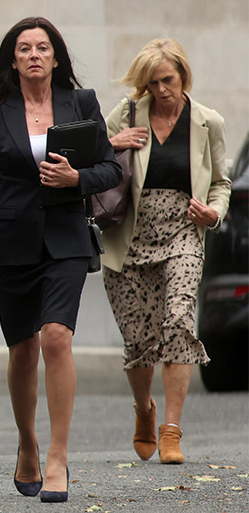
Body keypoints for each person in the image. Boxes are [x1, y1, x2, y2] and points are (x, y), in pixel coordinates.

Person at [0, 17, 121, 502]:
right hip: (10, 241)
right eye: (24, 48)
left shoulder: (82, 103)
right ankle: (28, 445)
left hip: (67, 238)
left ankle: (57, 456)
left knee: (56, 337)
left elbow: (111, 168)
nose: (34, 55)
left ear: (56, 57)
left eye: (43, 47)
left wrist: (76, 180)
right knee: (23, 348)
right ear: (13, 59)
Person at [101, 38, 231, 465]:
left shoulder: (207, 122)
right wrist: (114, 144)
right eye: (152, 82)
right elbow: (92, 163)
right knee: (138, 339)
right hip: (129, 235)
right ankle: (144, 410)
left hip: (183, 232)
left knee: (178, 321)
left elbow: (221, 183)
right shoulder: (125, 114)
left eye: (168, 80)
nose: (161, 90)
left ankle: (171, 430)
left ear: (183, 75)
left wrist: (213, 213)